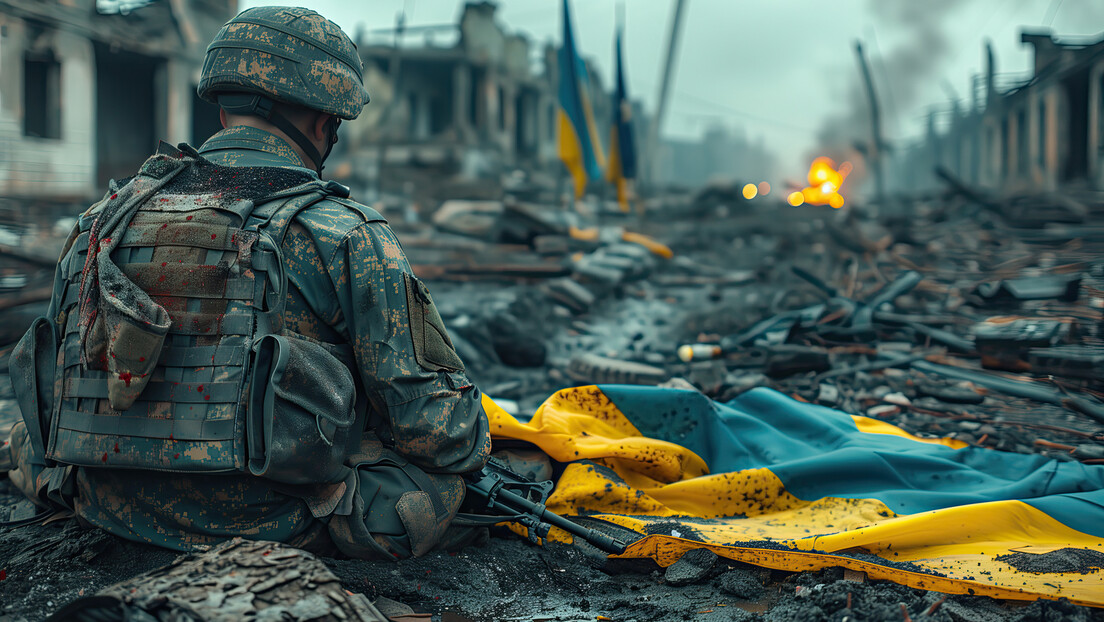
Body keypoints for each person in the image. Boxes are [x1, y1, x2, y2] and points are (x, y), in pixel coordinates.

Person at [1, 6, 490, 561]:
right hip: (266, 522)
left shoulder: (101, 220)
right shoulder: (344, 232)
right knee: (445, 491)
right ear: (323, 120)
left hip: (103, 502)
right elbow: (440, 434)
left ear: (224, 103)